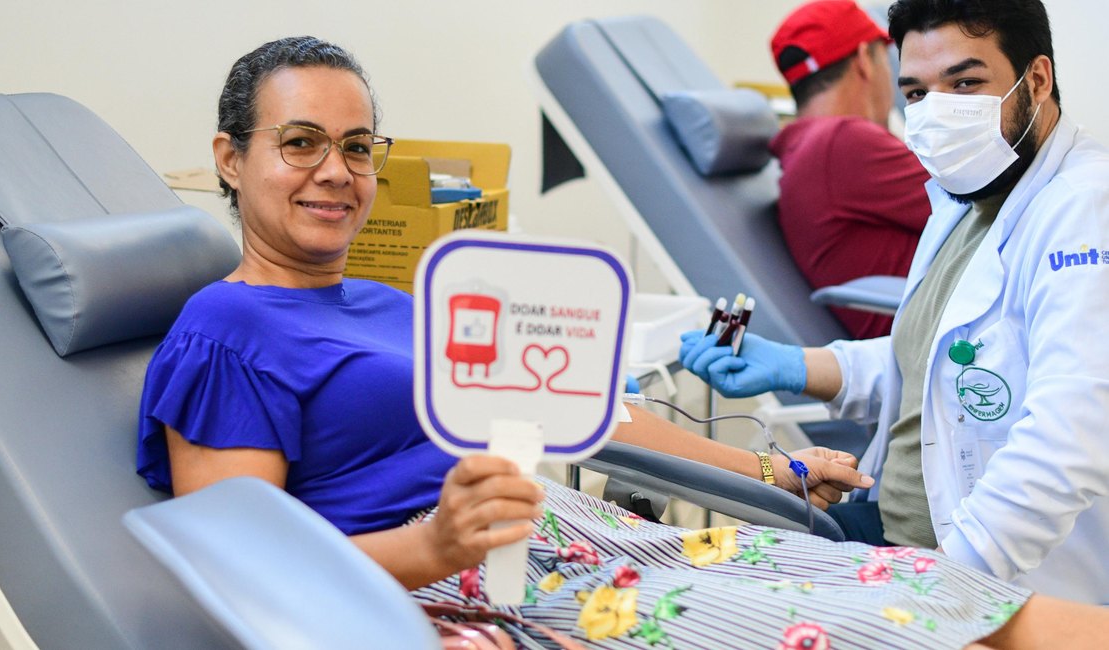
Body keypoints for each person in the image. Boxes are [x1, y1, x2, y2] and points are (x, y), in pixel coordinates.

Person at [137, 35, 1109, 649]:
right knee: (889, 628)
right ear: (233, 158)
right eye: (300, 142)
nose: (336, 172)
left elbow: (594, 409)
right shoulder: (225, 330)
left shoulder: (398, 300)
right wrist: (432, 543)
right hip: (463, 587)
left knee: (921, 586)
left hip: (578, 537)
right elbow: (252, 564)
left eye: (357, 147)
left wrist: (773, 465)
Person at [683, 0, 1109, 605]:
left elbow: (1067, 444)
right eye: (916, 92)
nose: (937, 113)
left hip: (976, 574)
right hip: (891, 526)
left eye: (965, 83)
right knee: (696, 592)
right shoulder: (968, 196)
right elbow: (945, 362)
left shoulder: (1085, 209)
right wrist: (798, 365)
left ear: (1036, 79)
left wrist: (938, 589)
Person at [769, 0, 932, 338]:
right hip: (946, 346)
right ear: (864, 60)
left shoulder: (808, 149)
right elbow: (984, 199)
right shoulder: (840, 142)